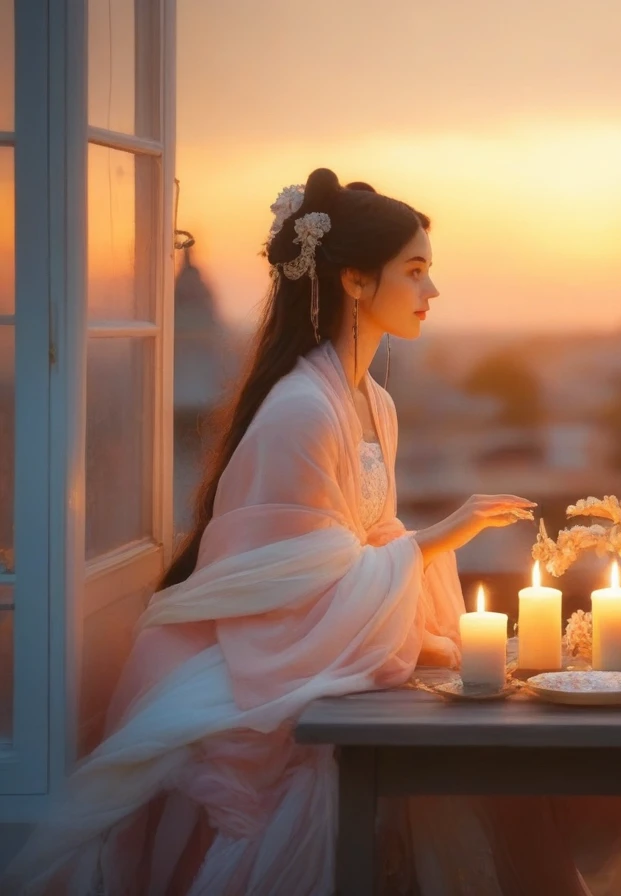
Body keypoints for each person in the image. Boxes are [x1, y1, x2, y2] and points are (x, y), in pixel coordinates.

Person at [1, 168, 562, 895]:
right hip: (257, 657)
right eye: (415, 271)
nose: (432, 291)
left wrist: (414, 582)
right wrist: (437, 538)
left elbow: (359, 540)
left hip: (313, 639)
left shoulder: (373, 403)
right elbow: (289, 577)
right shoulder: (302, 409)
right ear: (357, 283)